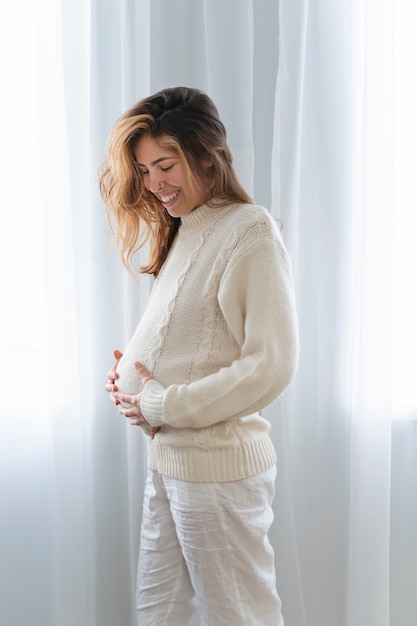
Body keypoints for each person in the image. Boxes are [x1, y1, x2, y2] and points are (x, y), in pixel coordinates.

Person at [100, 86, 298, 626]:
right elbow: (189, 342)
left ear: (206, 154)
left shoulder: (249, 230)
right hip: (170, 463)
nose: (154, 184)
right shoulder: (187, 230)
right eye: (143, 171)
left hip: (217, 469)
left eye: (165, 164)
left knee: (240, 616)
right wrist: (130, 378)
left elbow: (271, 361)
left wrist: (161, 404)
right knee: (158, 612)